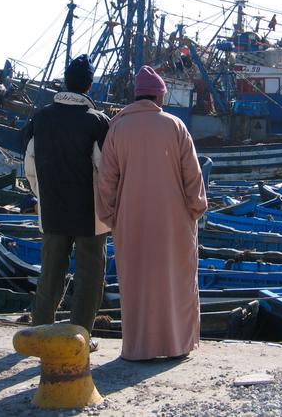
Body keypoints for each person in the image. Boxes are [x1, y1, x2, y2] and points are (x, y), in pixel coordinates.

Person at [96, 66, 208, 361]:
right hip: (174, 220)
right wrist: (196, 208)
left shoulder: (117, 128)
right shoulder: (175, 126)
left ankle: (138, 348)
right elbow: (193, 177)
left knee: (137, 284)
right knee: (176, 283)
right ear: (159, 96)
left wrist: (110, 217)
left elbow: (106, 181)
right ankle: (177, 345)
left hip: (131, 220)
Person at [23, 54, 110, 351]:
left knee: (50, 272)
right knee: (89, 275)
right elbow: (106, 170)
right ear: (88, 85)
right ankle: (80, 338)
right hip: (91, 214)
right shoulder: (97, 122)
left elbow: (30, 166)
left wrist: (42, 196)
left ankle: (39, 333)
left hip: (53, 211)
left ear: (65, 81)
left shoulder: (42, 117)